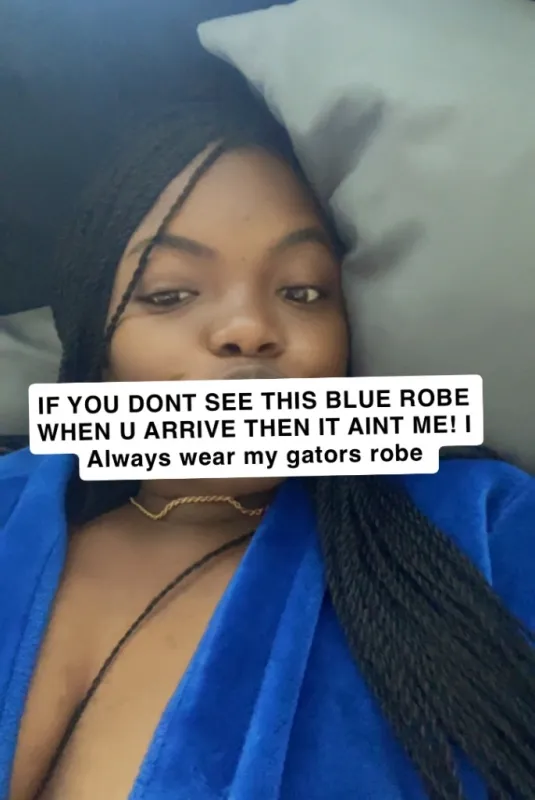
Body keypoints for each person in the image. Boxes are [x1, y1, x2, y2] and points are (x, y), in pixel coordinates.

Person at [0, 88, 534, 800]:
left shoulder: (484, 524)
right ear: (95, 345)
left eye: (303, 292)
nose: (249, 328)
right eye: (169, 294)